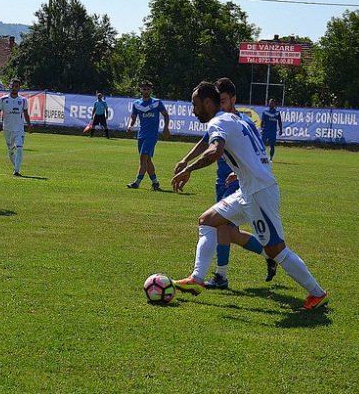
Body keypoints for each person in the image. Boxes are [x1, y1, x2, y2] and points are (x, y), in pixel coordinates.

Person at [171, 81, 328, 310]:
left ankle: (317, 293)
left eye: (195, 105)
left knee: (276, 250)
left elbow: (215, 150)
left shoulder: (217, 121)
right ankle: (196, 279)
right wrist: (241, 172)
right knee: (208, 220)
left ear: (207, 102)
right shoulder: (234, 118)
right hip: (248, 187)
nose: (193, 111)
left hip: (258, 193)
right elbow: (256, 153)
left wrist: (188, 169)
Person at [174, 78, 276, 289]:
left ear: (233, 100)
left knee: (221, 226)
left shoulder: (239, 122)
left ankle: (220, 274)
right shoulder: (219, 121)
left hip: (239, 180)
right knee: (227, 231)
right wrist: (185, 159)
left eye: (224, 100)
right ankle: (268, 254)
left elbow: (256, 153)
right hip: (221, 179)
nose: (220, 104)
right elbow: (205, 141)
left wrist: (237, 174)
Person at [126, 81, 170, 191]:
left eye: (148, 89)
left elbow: (166, 115)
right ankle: (155, 183)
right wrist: (130, 125)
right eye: (144, 89)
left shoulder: (157, 102)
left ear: (151, 90)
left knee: (142, 159)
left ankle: (136, 182)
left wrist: (165, 128)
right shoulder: (136, 103)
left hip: (152, 135)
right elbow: (133, 117)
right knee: (147, 160)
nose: (146, 91)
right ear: (140, 89)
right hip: (141, 134)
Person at [0, 78, 32, 176]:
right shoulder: (3, 99)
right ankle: (16, 166)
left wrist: (29, 124)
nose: (14, 88)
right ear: (9, 86)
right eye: (12, 86)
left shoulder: (23, 100)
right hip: (7, 129)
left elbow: (25, 113)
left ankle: (16, 170)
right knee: (11, 150)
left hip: (19, 129)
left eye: (17, 86)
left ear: (19, 88)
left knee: (19, 148)